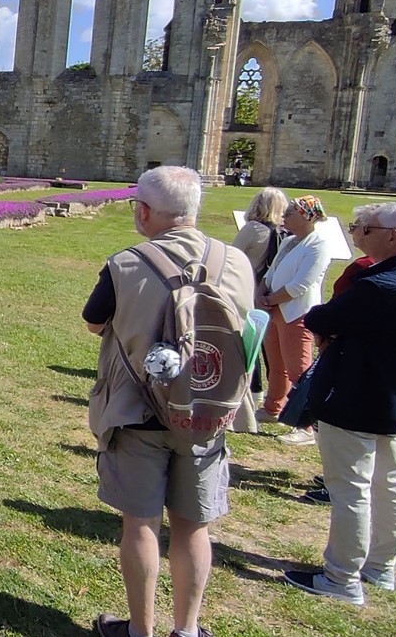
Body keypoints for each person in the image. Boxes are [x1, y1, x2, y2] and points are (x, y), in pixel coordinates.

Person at [83, 165, 256, 637]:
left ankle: (141, 631)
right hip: (207, 409)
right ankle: (188, 630)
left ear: (143, 211)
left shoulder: (126, 263)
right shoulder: (236, 261)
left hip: (137, 408)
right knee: (192, 527)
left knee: (140, 523)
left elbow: (96, 323)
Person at [282, 203, 396, 606]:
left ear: (392, 237)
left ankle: (342, 578)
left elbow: (321, 319)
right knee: (389, 484)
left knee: (351, 489)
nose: (359, 233)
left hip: (356, 400)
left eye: (366, 228)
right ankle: (380, 567)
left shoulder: (382, 285)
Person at [259, 195, 335, 446]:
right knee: (275, 362)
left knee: (298, 369)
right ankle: (273, 408)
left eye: (290, 212)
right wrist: (262, 289)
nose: (284, 216)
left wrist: (273, 299)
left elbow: (303, 283)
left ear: (305, 216)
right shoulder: (290, 241)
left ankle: (306, 424)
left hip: (297, 311)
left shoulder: (319, 244)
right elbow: (272, 271)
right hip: (275, 309)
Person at [231, 188, 287, 395]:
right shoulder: (285, 232)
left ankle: (253, 390)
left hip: (249, 288)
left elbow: (234, 257)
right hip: (272, 291)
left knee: (250, 342)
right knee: (271, 348)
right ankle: (276, 392)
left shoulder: (253, 229)